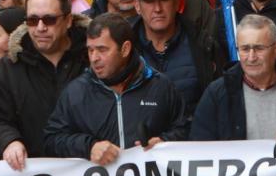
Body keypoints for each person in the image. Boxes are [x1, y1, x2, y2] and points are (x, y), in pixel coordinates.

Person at [44, 13, 189, 162]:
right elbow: (52, 140)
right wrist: (89, 147)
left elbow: (185, 129)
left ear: (125, 49)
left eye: (102, 49)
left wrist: (164, 142)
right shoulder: (75, 93)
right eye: (90, 50)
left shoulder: (160, 86)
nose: (94, 58)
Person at [0, 0, 87, 167]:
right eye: (32, 20)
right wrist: (9, 141)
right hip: (31, 175)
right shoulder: (8, 68)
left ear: (68, 20)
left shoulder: (92, 57)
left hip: (90, 169)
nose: (40, 27)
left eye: (49, 20)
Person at [189, 14, 276, 144]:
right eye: (245, 49)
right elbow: (200, 147)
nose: (251, 57)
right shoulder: (218, 94)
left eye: (259, 48)